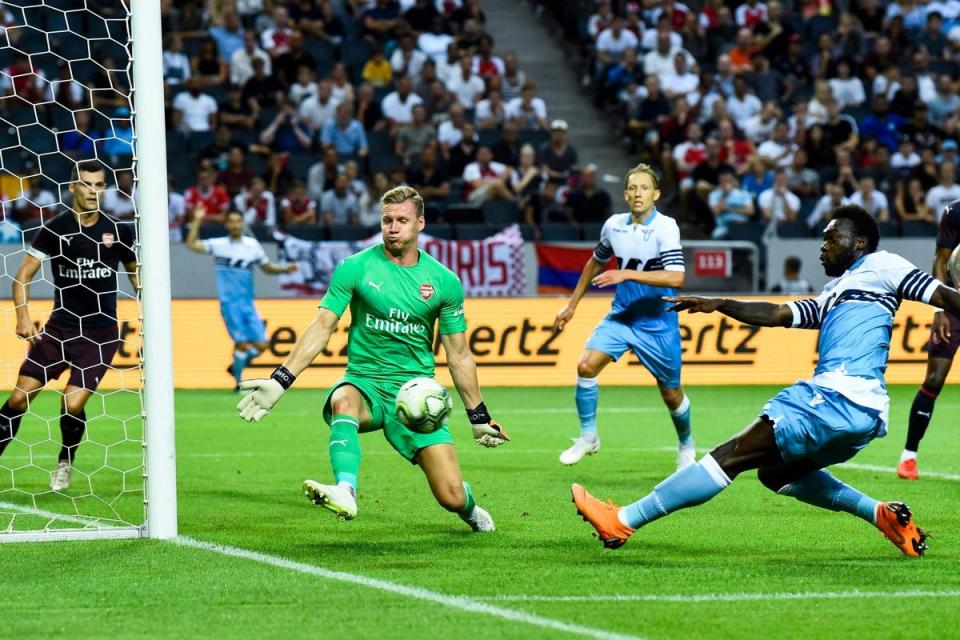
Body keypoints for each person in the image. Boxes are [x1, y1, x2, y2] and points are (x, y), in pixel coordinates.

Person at [571, 205, 960, 558]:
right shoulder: (834, 292)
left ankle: (622, 520)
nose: (823, 246)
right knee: (775, 474)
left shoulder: (884, 266)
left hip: (837, 397)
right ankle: (880, 515)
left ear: (859, 243)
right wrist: (720, 303)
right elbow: (776, 314)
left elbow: (944, 296)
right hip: (862, 414)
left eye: (832, 238)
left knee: (731, 455)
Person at [235, 186, 510, 530]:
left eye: (402, 220)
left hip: (415, 393)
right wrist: (281, 379)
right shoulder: (355, 268)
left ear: (420, 223)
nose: (393, 227)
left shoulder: (444, 282)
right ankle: (345, 489)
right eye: (387, 220)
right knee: (343, 402)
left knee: (450, 495)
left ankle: (469, 508)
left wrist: (478, 415)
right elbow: (322, 325)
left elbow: (458, 354)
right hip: (364, 381)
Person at [0, 160, 138, 491]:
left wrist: (151, 306)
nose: (94, 191)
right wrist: (21, 315)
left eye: (100, 185)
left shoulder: (119, 229)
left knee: (71, 403)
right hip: (60, 328)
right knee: (19, 398)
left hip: (100, 332)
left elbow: (135, 272)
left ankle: (65, 459)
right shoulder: (55, 229)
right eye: (87, 184)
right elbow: (22, 276)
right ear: (73, 187)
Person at [552, 164, 695, 470]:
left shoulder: (666, 227)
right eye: (632, 188)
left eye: (644, 187)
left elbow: (677, 278)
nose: (637, 193)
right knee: (585, 366)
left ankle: (686, 444)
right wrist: (572, 304)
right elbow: (595, 262)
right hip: (622, 317)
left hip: (658, 323)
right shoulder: (613, 226)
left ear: (655, 194)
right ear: (625, 194)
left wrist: (627, 273)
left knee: (671, 393)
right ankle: (588, 436)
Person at [185, 208, 297, 390]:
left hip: (248, 303)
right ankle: (239, 384)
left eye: (238, 221)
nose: (235, 225)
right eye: (232, 221)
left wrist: (285, 269)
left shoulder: (252, 245)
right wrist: (197, 220)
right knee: (242, 344)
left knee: (262, 344)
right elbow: (191, 244)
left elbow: (267, 267)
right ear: (226, 224)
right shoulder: (219, 244)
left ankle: (236, 367)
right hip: (229, 303)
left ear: (243, 223)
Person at [896, 200, 960, 480]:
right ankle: (909, 456)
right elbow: (941, 260)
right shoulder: (955, 213)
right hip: (955, 305)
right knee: (934, 379)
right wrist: (939, 309)